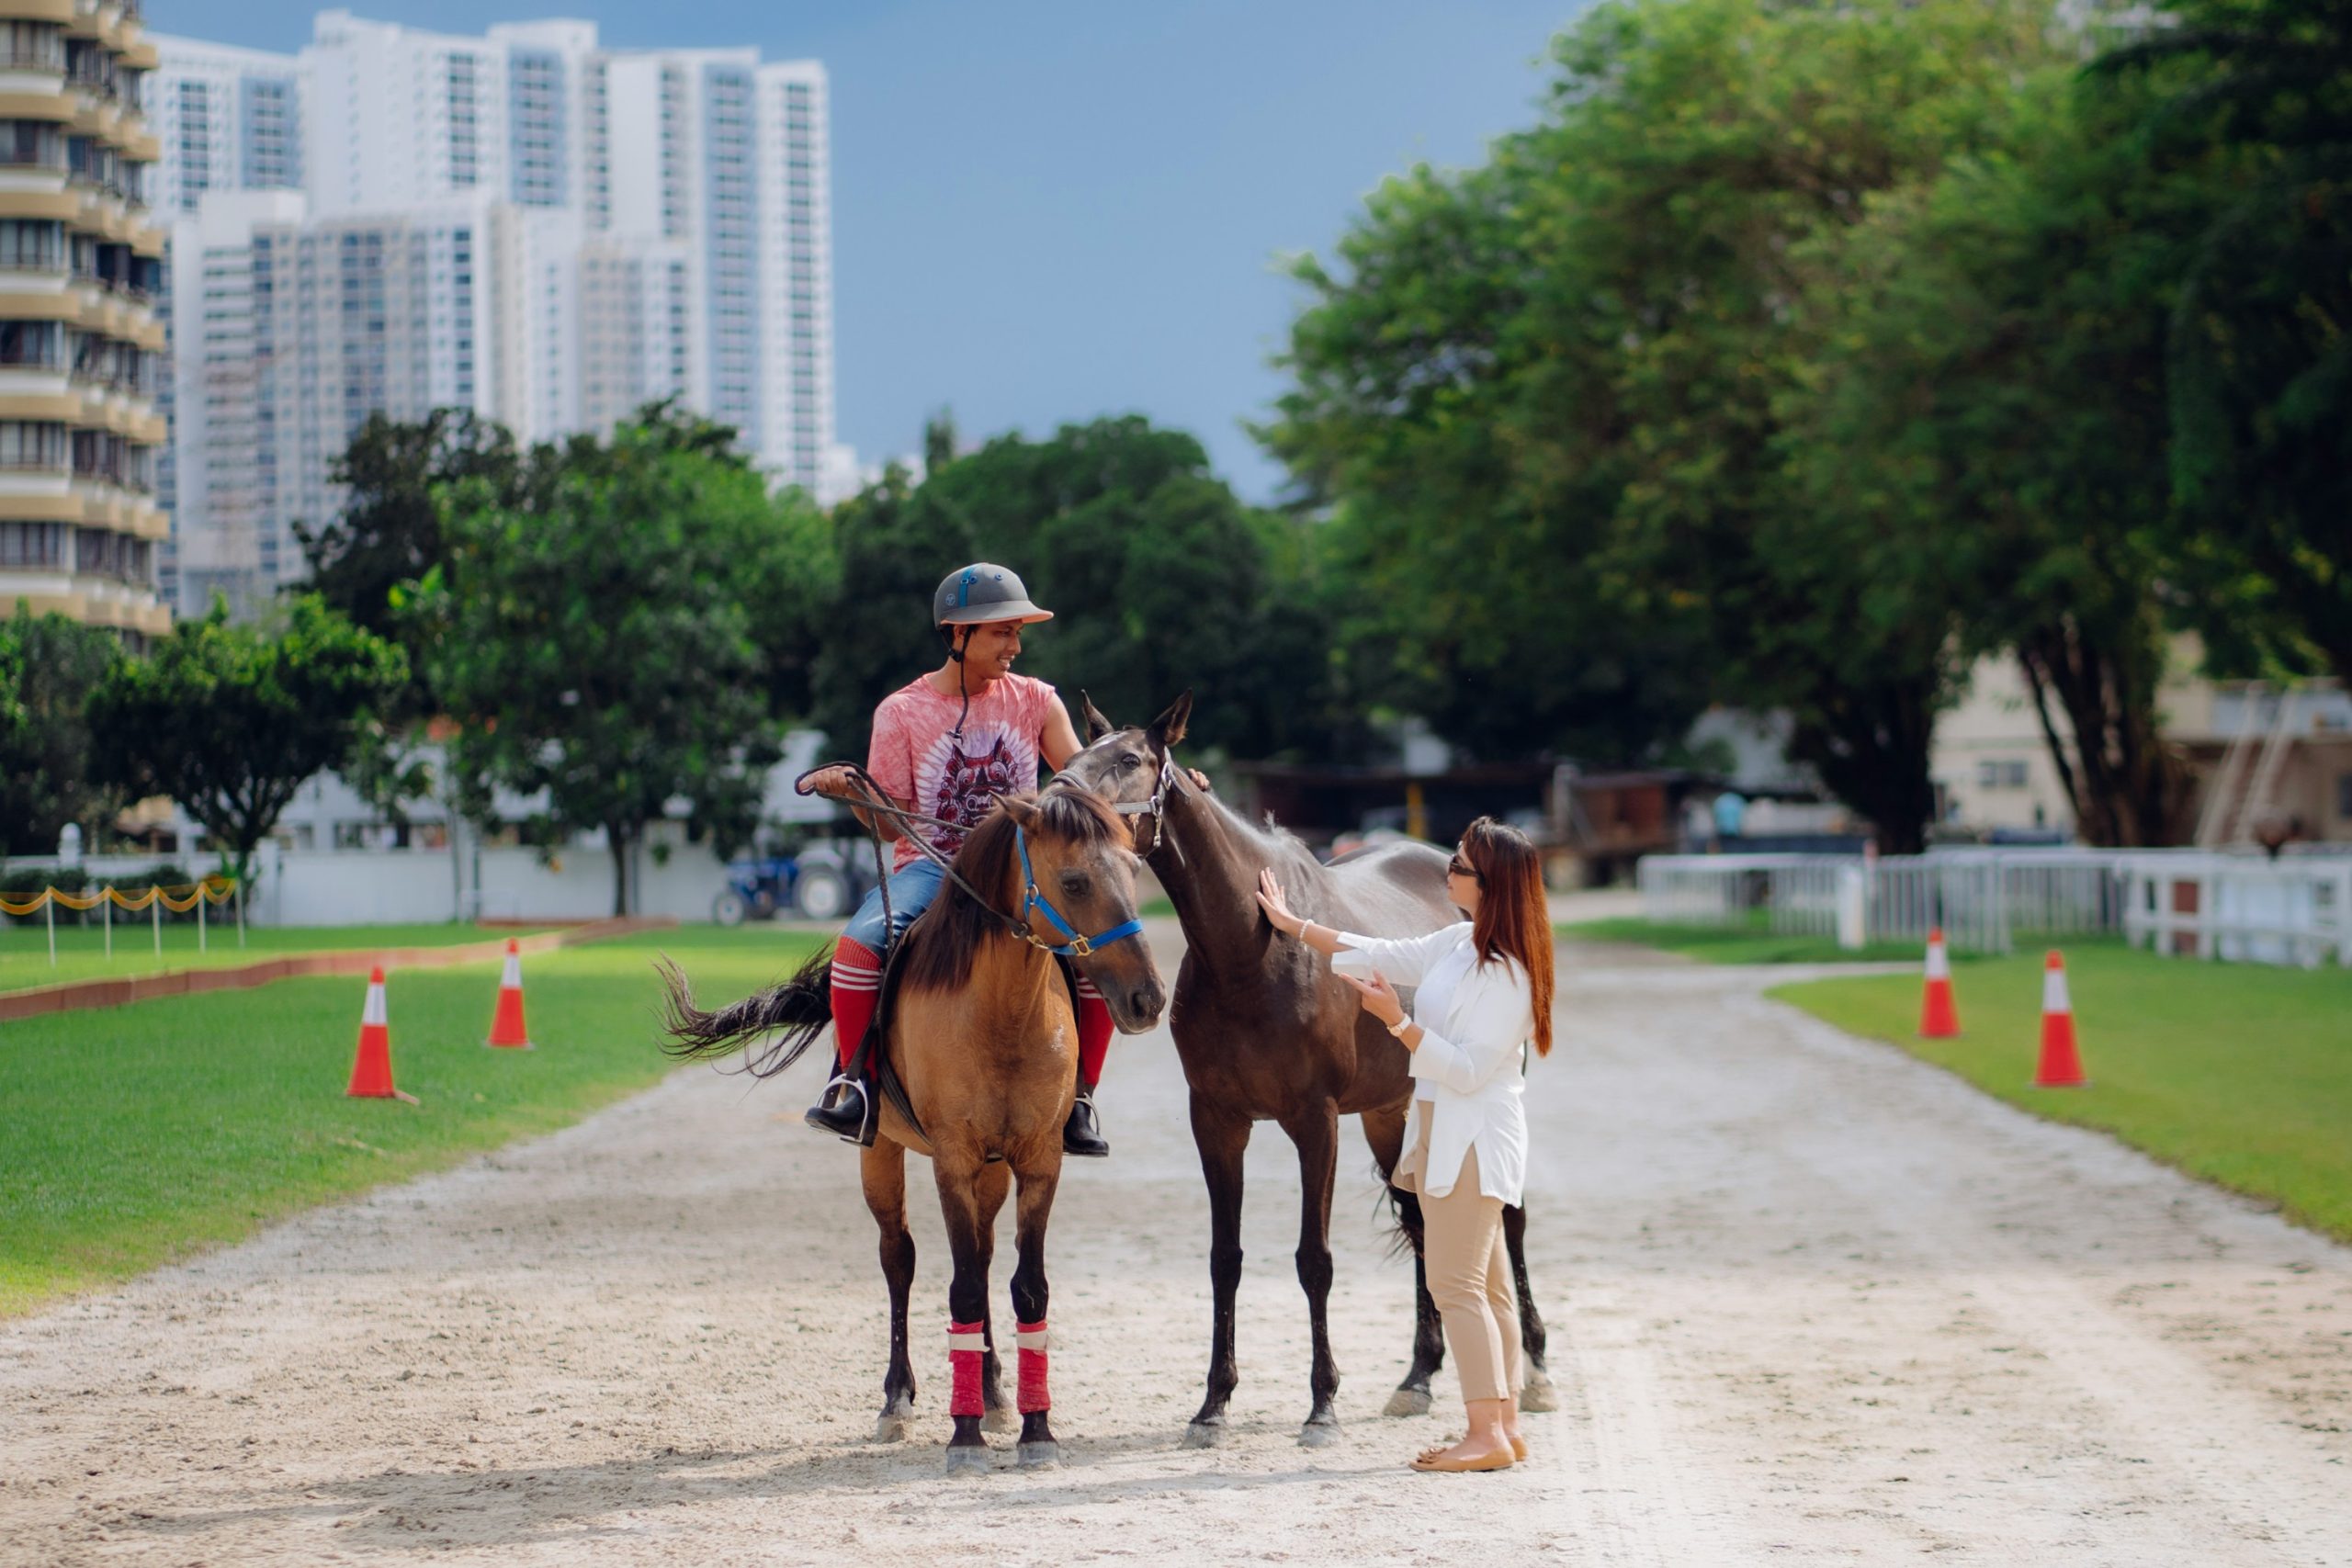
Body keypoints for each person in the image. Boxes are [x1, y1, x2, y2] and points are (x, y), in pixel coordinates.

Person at [1254, 817, 1555, 1473]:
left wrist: (1398, 1022)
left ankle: (1482, 1432)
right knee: (1492, 1290)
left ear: (1492, 885)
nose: (1447, 870)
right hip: (1453, 1131)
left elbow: (1471, 1070)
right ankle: (1502, 1425)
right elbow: (1374, 949)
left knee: (1455, 1287)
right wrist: (1292, 923)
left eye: (1461, 865)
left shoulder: (1508, 974)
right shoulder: (1457, 941)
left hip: (1473, 1136)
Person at [799, 563, 1114, 1156]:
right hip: (931, 870)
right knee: (857, 947)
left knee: (1097, 954)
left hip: (1023, 875)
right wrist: (857, 797)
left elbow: (1083, 782)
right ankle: (855, 1083)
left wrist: (1171, 780)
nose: (1016, 647)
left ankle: (1079, 1097)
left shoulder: (1037, 701)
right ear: (958, 633)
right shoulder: (900, 712)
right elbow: (891, 823)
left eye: (1018, 633)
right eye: (1003, 632)